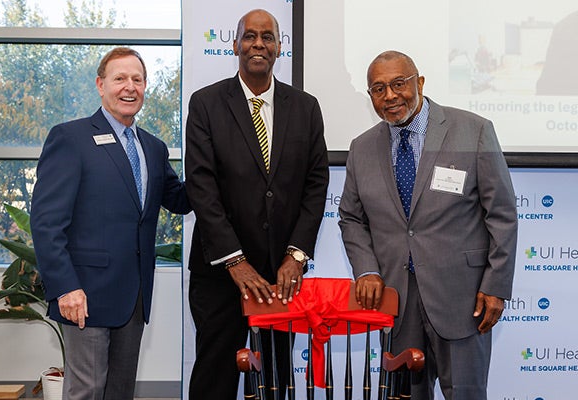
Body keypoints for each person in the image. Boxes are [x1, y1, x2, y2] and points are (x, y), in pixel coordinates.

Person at [338, 50, 517, 400]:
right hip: (398, 304)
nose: (390, 96)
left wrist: (496, 285)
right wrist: (366, 271)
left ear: (419, 83)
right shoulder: (361, 149)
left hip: (464, 302)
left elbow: (502, 213)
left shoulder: (473, 130)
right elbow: (351, 218)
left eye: (398, 84)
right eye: (378, 88)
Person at [31, 47, 191, 400]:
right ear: (101, 85)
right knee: (86, 391)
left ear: (146, 86)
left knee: (120, 392)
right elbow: (45, 222)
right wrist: (65, 287)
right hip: (83, 294)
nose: (129, 87)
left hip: (133, 296)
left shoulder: (153, 147)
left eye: (137, 79)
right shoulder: (70, 138)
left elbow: (179, 200)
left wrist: (215, 162)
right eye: (120, 78)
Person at [185, 9, 329, 400]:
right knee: (215, 374)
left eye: (268, 37)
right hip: (219, 276)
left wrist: (296, 256)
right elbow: (201, 186)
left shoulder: (306, 107)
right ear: (235, 45)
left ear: (280, 47)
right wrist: (235, 260)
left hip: (279, 277)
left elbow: (316, 185)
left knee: (274, 379)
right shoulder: (206, 104)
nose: (258, 44)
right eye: (250, 36)